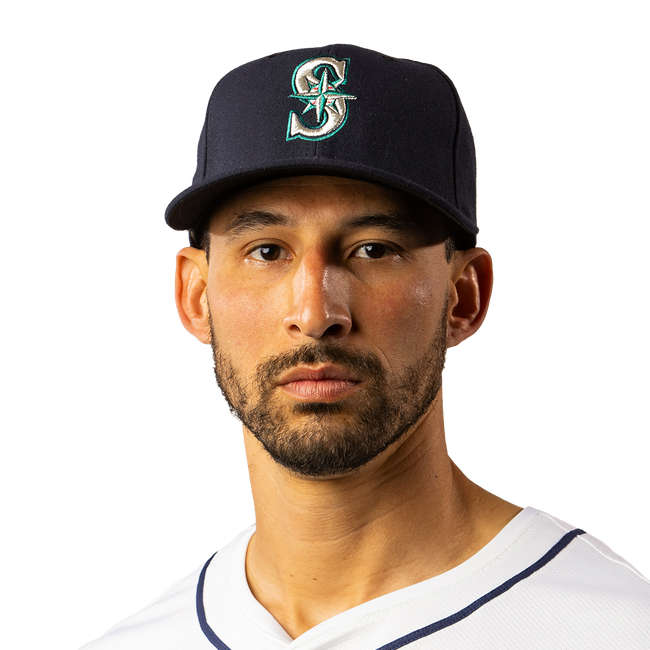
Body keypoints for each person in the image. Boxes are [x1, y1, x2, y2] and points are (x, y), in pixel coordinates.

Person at [80, 43, 649, 649]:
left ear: (465, 296)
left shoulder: (621, 630)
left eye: (374, 249)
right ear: (194, 296)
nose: (315, 314)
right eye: (267, 251)